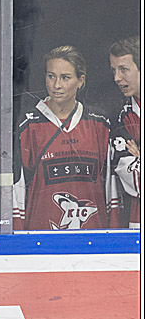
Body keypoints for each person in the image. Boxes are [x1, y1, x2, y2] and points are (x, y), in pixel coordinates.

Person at [13, 45, 116, 230]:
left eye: (65, 78)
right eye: (51, 76)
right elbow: (17, 192)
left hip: (94, 238)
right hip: (40, 238)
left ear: (80, 80)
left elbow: (111, 190)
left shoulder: (100, 125)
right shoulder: (27, 126)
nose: (56, 85)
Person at [109, 36, 140, 229]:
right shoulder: (121, 120)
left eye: (124, 69)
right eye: (114, 70)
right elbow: (136, 183)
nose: (116, 78)